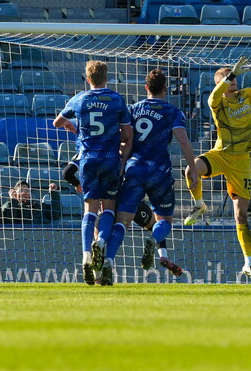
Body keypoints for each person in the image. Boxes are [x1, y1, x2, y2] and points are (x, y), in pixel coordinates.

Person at [184, 51, 251, 283]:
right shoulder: (217, 102)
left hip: (242, 161)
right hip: (221, 154)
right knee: (190, 170)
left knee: (241, 215)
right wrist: (230, 73)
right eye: (230, 81)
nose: (235, 84)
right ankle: (199, 204)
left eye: (235, 80)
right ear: (222, 85)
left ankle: (249, 263)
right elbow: (211, 97)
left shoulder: (246, 96)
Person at [109, 69, 198, 286]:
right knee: (165, 220)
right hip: (159, 172)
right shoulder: (172, 112)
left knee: (122, 221)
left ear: (146, 88)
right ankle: (153, 240)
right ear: (166, 88)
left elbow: (122, 139)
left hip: (134, 169)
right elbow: (184, 143)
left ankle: (108, 261)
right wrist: (193, 168)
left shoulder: (133, 110)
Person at [53, 60, 133, 286]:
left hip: (87, 159)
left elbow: (56, 122)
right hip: (109, 159)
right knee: (108, 207)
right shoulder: (117, 100)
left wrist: (71, 126)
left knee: (89, 209)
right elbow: (127, 134)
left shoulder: (79, 99)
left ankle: (86, 254)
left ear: (88, 79)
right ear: (106, 77)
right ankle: (102, 242)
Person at [64, 157, 184, 285]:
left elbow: (67, 173)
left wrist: (77, 184)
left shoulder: (86, 148)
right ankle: (162, 256)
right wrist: (162, 255)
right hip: (128, 200)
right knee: (156, 225)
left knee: (99, 239)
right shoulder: (123, 147)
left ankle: (98, 278)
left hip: (104, 201)